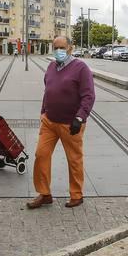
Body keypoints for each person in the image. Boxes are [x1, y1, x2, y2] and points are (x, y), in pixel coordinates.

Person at [28, 36, 95, 209]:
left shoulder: (81, 68)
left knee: (74, 159)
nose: (59, 51)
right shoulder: (51, 67)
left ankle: (76, 195)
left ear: (70, 48)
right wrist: (43, 111)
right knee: (41, 155)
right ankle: (44, 194)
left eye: (62, 47)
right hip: (49, 121)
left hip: (71, 124)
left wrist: (80, 118)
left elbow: (88, 96)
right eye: (55, 47)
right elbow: (47, 90)